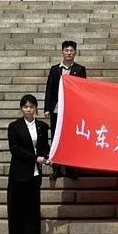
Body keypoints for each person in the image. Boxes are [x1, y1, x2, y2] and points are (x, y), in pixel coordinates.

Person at [7, 94, 50, 234]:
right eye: (25, 107)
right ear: (21, 109)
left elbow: (44, 146)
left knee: (32, 210)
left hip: (34, 175)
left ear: (36, 108)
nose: (29, 110)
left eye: (31, 107)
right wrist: (35, 158)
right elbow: (15, 149)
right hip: (19, 175)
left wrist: (48, 158)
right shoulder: (14, 127)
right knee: (17, 210)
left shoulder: (42, 127)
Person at [43, 40, 87, 178]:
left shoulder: (80, 69)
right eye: (66, 50)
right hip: (57, 109)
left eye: (71, 50)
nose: (69, 53)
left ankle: (70, 169)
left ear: (75, 52)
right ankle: (56, 168)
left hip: (72, 110)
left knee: (71, 138)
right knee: (56, 137)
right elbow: (49, 89)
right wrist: (47, 108)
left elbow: (83, 89)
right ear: (62, 52)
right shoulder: (55, 69)